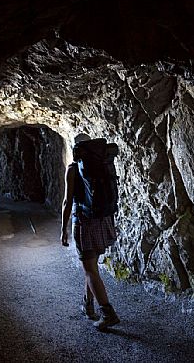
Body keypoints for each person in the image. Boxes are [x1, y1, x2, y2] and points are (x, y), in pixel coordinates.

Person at [60, 133, 120, 330]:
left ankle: (107, 312)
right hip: (104, 220)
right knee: (92, 267)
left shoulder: (73, 169)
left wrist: (63, 229)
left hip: (85, 223)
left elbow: (68, 202)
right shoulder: (102, 165)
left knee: (89, 270)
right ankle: (88, 304)